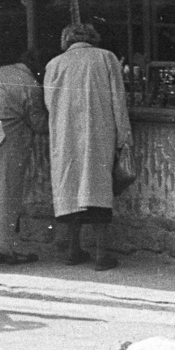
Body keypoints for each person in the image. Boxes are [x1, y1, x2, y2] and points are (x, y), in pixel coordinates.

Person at [44, 22, 132, 271]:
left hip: (66, 135)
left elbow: (49, 103)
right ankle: (101, 254)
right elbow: (118, 99)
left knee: (71, 189)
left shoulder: (54, 64)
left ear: (66, 41)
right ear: (93, 39)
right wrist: (124, 137)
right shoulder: (106, 58)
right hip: (98, 134)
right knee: (98, 189)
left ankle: (73, 249)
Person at [0, 44, 47, 265]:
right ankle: (5, 250)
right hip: (9, 143)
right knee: (7, 196)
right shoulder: (29, 83)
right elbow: (38, 123)